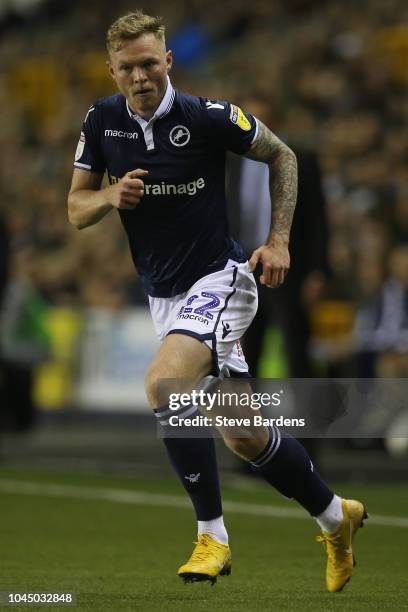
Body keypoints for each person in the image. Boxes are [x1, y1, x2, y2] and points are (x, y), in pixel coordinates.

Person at [67, 10, 366, 592]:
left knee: (163, 385)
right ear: (112, 70)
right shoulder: (100, 121)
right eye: (127, 67)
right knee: (242, 433)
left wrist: (279, 239)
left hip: (222, 280)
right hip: (165, 299)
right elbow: (75, 209)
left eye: (150, 63)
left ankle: (213, 537)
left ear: (168, 61)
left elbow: (284, 155)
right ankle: (336, 517)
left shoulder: (206, 116)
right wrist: (108, 195)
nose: (141, 76)